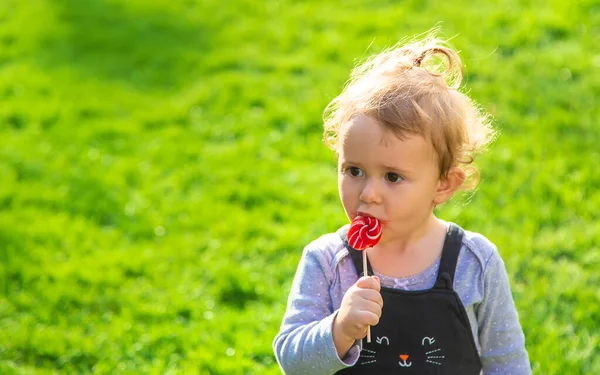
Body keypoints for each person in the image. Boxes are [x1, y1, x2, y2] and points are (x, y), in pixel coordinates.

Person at [272, 31, 531, 375]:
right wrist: (340, 329)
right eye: (354, 170)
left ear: (443, 185)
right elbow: (292, 363)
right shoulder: (328, 263)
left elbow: (507, 361)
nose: (368, 193)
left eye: (392, 177)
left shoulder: (475, 263)